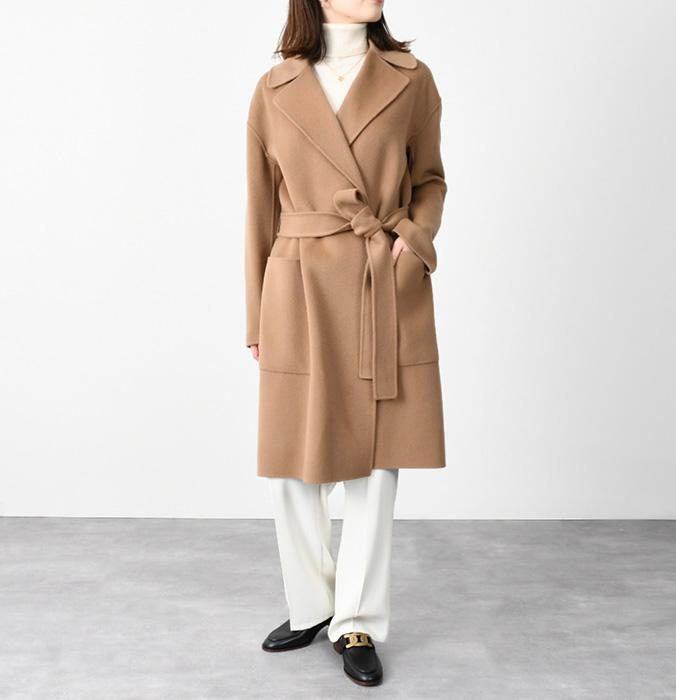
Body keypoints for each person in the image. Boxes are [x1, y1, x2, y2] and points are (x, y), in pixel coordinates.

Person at [244, 0, 447, 687]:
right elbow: (259, 207)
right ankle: (311, 604)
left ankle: (356, 619)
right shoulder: (273, 89)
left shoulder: (411, 78)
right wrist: (255, 316)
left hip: (378, 281)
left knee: (375, 461)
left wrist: (411, 243)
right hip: (297, 285)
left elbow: (430, 180)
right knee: (292, 461)